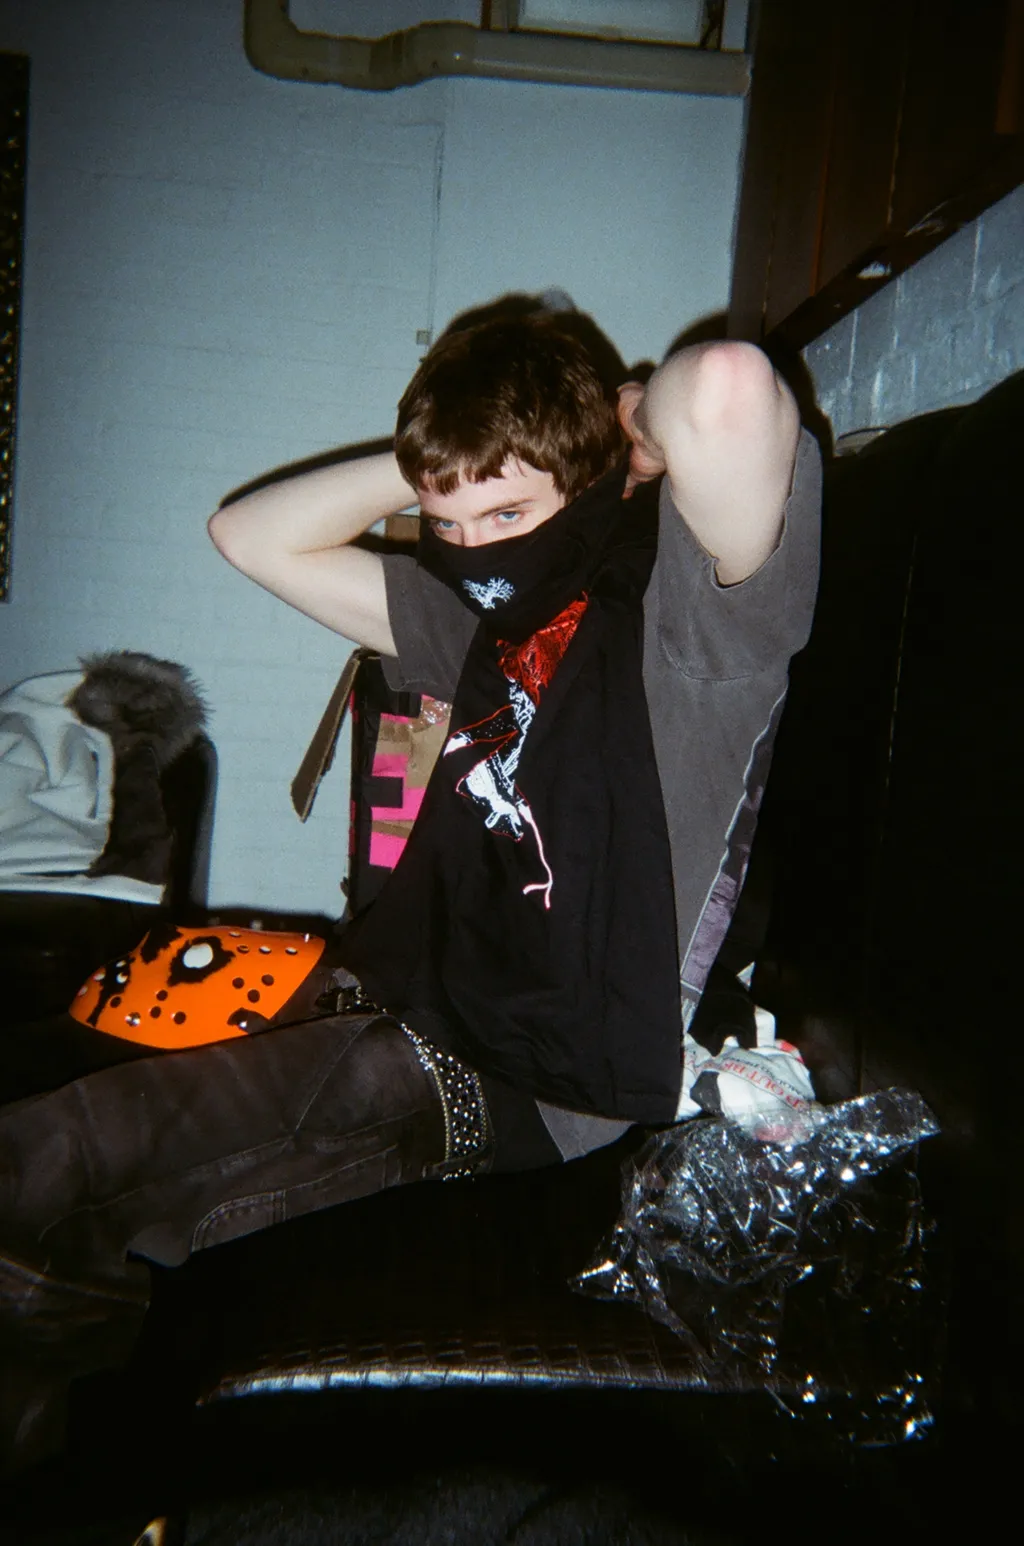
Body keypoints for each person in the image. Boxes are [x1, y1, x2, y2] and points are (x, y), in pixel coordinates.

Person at [0, 300, 819, 1469]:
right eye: (447, 522)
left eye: (509, 513)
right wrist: (455, 456)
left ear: (594, 477)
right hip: (399, 990)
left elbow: (730, 386)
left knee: (52, 1158)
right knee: (84, 1105)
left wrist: (625, 419)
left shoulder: (697, 632)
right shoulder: (477, 625)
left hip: (519, 1073)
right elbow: (248, 535)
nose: (475, 548)